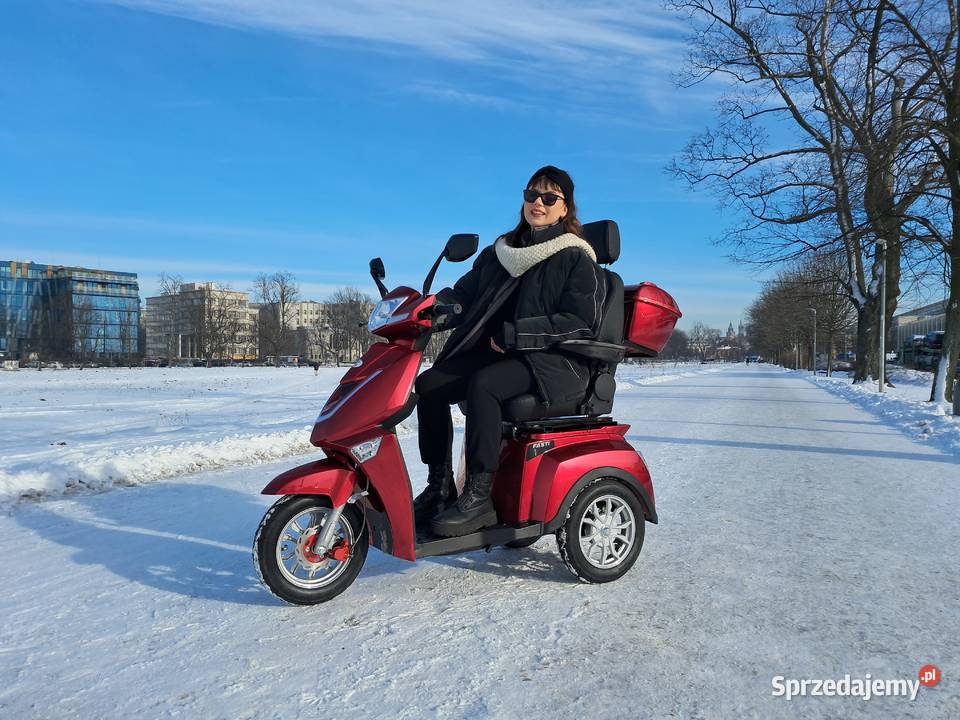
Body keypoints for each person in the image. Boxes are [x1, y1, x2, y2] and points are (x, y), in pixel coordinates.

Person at [414, 166, 607, 537]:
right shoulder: (501, 253)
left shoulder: (575, 257)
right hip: (499, 352)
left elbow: (580, 321)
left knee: (484, 385)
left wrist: (519, 333)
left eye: (549, 198)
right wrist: (432, 310)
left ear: (564, 209)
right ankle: (438, 487)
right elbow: (464, 292)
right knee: (429, 386)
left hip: (552, 362)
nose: (538, 202)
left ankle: (478, 497)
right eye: (531, 194)